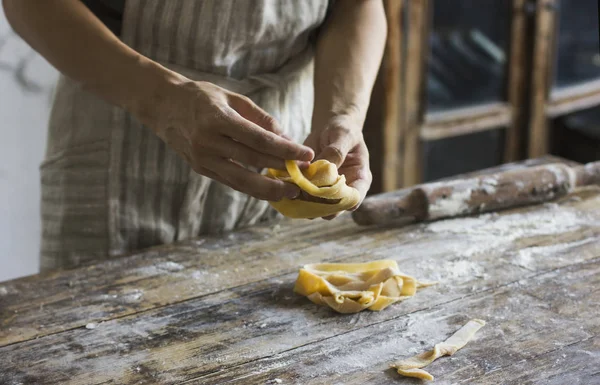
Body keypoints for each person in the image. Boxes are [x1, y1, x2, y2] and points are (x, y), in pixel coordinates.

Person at [3, 0, 386, 271]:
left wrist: (344, 112)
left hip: (287, 134)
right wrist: (161, 99)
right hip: (117, 131)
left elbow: (357, 5)